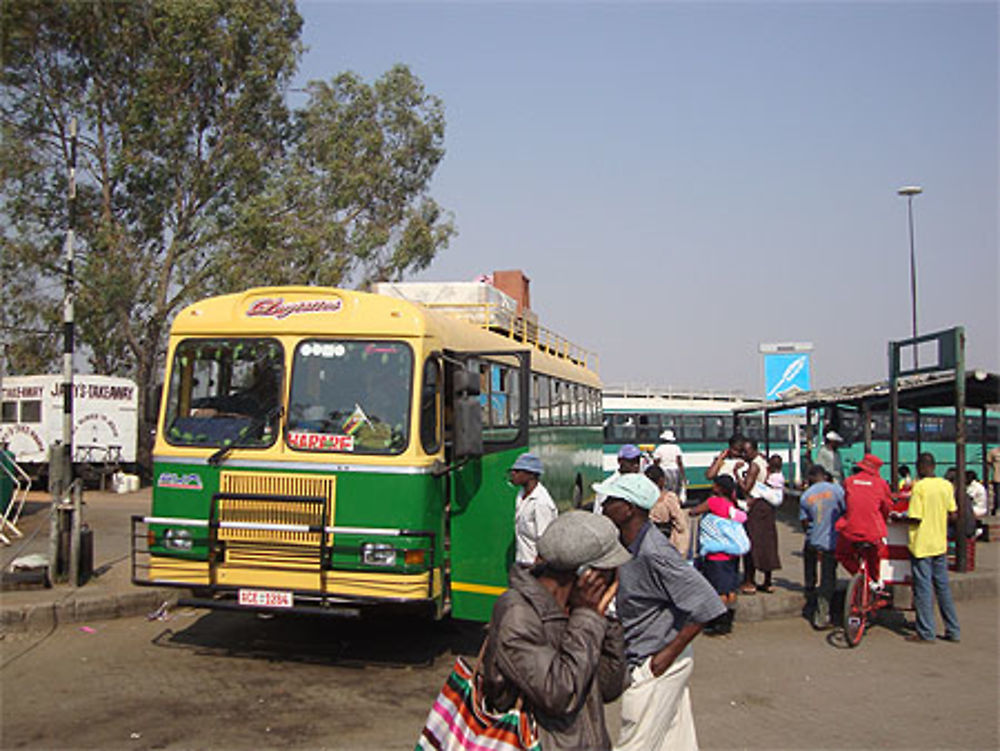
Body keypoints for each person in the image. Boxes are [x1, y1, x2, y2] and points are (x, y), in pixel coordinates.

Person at [596, 472, 726, 751]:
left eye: (610, 501)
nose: (603, 505)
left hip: (655, 661)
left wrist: (665, 657)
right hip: (658, 656)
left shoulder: (654, 552)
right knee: (673, 741)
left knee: (634, 743)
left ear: (628, 509)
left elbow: (707, 602)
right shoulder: (629, 544)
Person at [480, 511, 631, 749]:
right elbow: (560, 694)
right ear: (586, 574)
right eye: (609, 570)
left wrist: (605, 619)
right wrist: (587, 617)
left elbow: (608, 686)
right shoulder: (517, 613)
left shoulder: (579, 611)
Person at [894, 453, 961, 643]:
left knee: (923, 588)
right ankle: (953, 630)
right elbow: (954, 515)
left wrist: (901, 517)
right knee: (943, 588)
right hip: (940, 543)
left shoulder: (920, 488)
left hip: (922, 544)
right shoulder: (946, 486)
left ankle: (926, 632)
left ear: (920, 467)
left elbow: (915, 516)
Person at [689, 474, 747, 635]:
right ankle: (729, 620)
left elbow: (694, 512)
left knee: (718, 591)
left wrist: (693, 508)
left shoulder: (714, 502)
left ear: (719, 488)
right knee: (730, 589)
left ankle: (719, 623)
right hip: (732, 554)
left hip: (716, 555)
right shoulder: (732, 504)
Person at [834, 453, 893, 584]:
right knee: (875, 557)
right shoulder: (881, 484)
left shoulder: (849, 481)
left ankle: (858, 575)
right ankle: (874, 581)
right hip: (872, 532)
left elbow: (847, 503)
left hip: (850, 530)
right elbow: (887, 508)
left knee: (842, 553)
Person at [799, 464, 846, 629]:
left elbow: (804, 521)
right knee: (828, 579)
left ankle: (810, 589)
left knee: (810, 563)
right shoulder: (837, 490)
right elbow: (845, 511)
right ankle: (821, 617)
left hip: (814, 539)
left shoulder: (806, 496)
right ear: (824, 476)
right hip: (832, 540)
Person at [738, 439, 781, 594]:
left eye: (746, 451)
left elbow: (746, 488)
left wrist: (737, 474)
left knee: (752, 542)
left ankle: (750, 581)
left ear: (754, 450)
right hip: (767, 508)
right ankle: (768, 581)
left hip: (756, 509)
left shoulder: (754, 465)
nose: (743, 454)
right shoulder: (763, 461)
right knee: (768, 543)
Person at [509, 452, 558, 566]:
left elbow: (545, 539)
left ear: (531, 475)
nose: (513, 474)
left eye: (517, 471)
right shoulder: (521, 495)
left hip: (533, 565)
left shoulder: (541, 503)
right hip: (522, 561)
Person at [646, 464, 691, 557]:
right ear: (662, 480)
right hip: (665, 541)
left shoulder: (642, 499)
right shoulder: (669, 498)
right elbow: (680, 524)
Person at [593, 443, 642, 515]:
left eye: (637, 461)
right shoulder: (608, 485)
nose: (636, 465)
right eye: (631, 461)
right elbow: (599, 513)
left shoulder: (642, 483)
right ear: (620, 461)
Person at [652, 429, 686, 501]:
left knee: (665, 490)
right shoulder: (676, 448)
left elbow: (656, 461)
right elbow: (679, 462)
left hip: (664, 471)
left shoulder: (659, 448)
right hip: (675, 471)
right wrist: (683, 476)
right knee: (675, 490)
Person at [988, 445, 1000, 515]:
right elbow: (988, 464)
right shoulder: (993, 452)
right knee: (997, 497)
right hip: (998, 478)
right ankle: (996, 511)